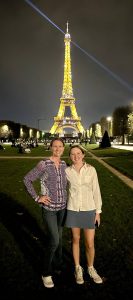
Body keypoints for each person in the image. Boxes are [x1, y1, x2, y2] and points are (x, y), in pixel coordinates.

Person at [23, 138, 67, 288]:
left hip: (62, 208)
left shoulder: (63, 164)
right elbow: (27, 179)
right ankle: (46, 272)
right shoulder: (44, 164)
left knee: (60, 239)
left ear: (63, 148)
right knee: (54, 240)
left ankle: (58, 264)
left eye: (60, 146)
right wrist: (37, 197)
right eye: (55, 146)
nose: (58, 148)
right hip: (49, 210)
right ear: (50, 147)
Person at [65, 145, 103, 285]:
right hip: (73, 209)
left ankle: (91, 268)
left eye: (78, 153)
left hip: (89, 209)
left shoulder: (91, 170)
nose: (76, 156)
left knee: (90, 243)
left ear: (83, 154)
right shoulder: (66, 171)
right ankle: (77, 268)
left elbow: (96, 191)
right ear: (70, 156)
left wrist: (98, 212)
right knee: (75, 239)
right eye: (73, 154)